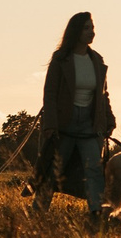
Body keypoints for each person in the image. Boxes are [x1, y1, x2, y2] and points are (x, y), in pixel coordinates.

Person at [32, 11, 116, 222]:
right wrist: (50, 125)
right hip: (64, 125)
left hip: (89, 124)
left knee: (95, 170)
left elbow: (103, 95)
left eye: (93, 28)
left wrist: (109, 118)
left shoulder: (96, 60)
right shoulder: (61, 59)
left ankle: (96, 213)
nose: (92, 33)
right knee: (53, 170)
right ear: (76, 31)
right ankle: (38, 212)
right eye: (87, 28)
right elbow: (49, 94)